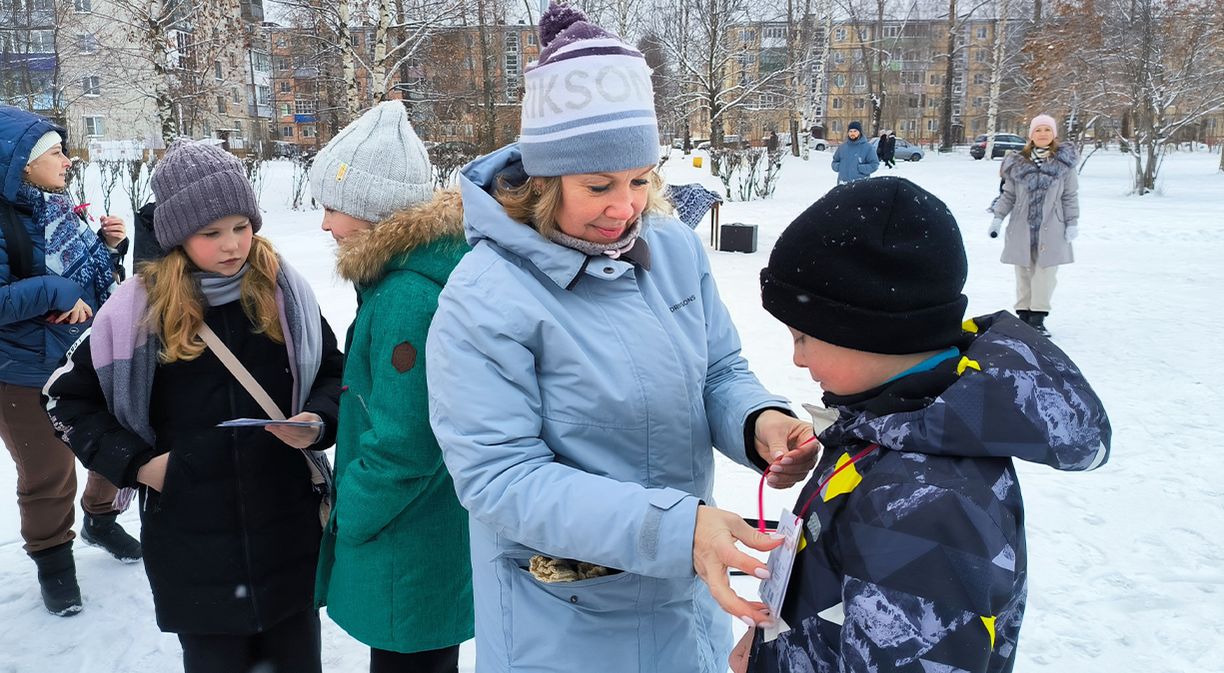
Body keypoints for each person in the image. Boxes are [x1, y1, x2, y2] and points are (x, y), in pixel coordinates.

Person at [425, 5, 818, 672]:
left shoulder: (670, 249)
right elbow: (499, 477)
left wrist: (759, 422)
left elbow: (719, 370)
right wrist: (675, 528)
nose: (626, 206)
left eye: (640, 179)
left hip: (681, 604)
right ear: (543, 181)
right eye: (598, 185)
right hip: (564, 623)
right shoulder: (485, 296)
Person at [732, 176, 1111, 673]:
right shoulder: (889, 424)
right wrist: (769, 647)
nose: (797, 359)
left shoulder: (927, 505)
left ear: (870, 333)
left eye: (803, 337)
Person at [43, 140, 343, 673]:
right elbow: (64, 399)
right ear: (179, 235)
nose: (232, 244)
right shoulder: (136, 312)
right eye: (211, 233)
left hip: (287, 534)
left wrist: (319, 420)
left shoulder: (283, 294)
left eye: (241, 227)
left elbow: (332, 371)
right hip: (193, 546)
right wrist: (139, 465)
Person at [309, 100, 474, 673]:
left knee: (410, 658)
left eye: (333, 208)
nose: (325, 225)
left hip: (409, 532)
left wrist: (351, 509)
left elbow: (407, 442)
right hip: (426, 524)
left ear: (372, 210)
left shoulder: (406, 297)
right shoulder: (408, 276)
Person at [0, 105, 139, 617]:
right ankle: (53, 560)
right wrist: (55, 289)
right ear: (20, 162)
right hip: (23, 371)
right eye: (56, 152)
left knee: (116, 444)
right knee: (48, 473)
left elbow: (88, 282)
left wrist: (108, 248)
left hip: (86, 357)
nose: (67, 161)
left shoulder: (56, 208)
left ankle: (100, 519)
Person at [989, 114, 1079, 337]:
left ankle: (1037, 319)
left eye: (1047, 130)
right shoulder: (1017, 163)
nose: (1043, 134)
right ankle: (1024, 317)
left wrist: (1071, 223)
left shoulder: (1064, 164)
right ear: (1031, 135)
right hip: (1022, 226)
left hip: (1053, 226)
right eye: (1038, 130)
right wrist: (998, 218)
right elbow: (1008, 195)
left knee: (1045, 273)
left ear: (1054, 134)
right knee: (1023, 272)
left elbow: (1069, 196)